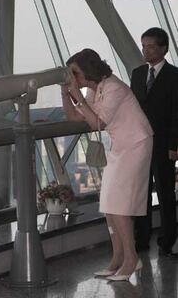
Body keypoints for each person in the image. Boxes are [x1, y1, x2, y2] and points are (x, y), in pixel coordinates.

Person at [61, 49, 153, 281]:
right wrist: (66, 94)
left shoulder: (113, 87)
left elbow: (97, 122)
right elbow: (75, 118)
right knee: (109, 205)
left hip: (136, 144)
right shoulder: (96, 89)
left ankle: (131, 260)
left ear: (88, 70)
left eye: (76, 73)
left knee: (119, 206)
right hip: (120, 146)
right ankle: (118, 258)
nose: (74, 78)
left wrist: (77, 95)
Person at [131, 27, 178, 257]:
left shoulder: (174, 75)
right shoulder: (137, 74)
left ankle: (167, 239)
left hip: (163, 145)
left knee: (165, 191)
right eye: (143, 46)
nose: (145, 51)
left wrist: (174, 146)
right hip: (139, 143)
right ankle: (141, 238)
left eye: (150, 47)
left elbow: (177, 114)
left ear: (164, 49)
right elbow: (132, 109)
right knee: (141, 192)